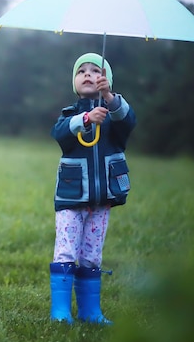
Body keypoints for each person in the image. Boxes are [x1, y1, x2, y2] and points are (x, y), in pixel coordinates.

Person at [49, 53, 136, 324]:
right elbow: (60, 133)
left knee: (92, 254)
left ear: (107, 80)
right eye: (81, 71)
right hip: (71, 197)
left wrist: (109, 99)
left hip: (102, 199)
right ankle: (61, 311)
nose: (88, 74)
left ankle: (89, 310)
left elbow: (129, 121)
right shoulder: (69, 114)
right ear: (74, 81)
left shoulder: (114, 114)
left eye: (96, 71)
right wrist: (86, 118)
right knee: (66, 250)